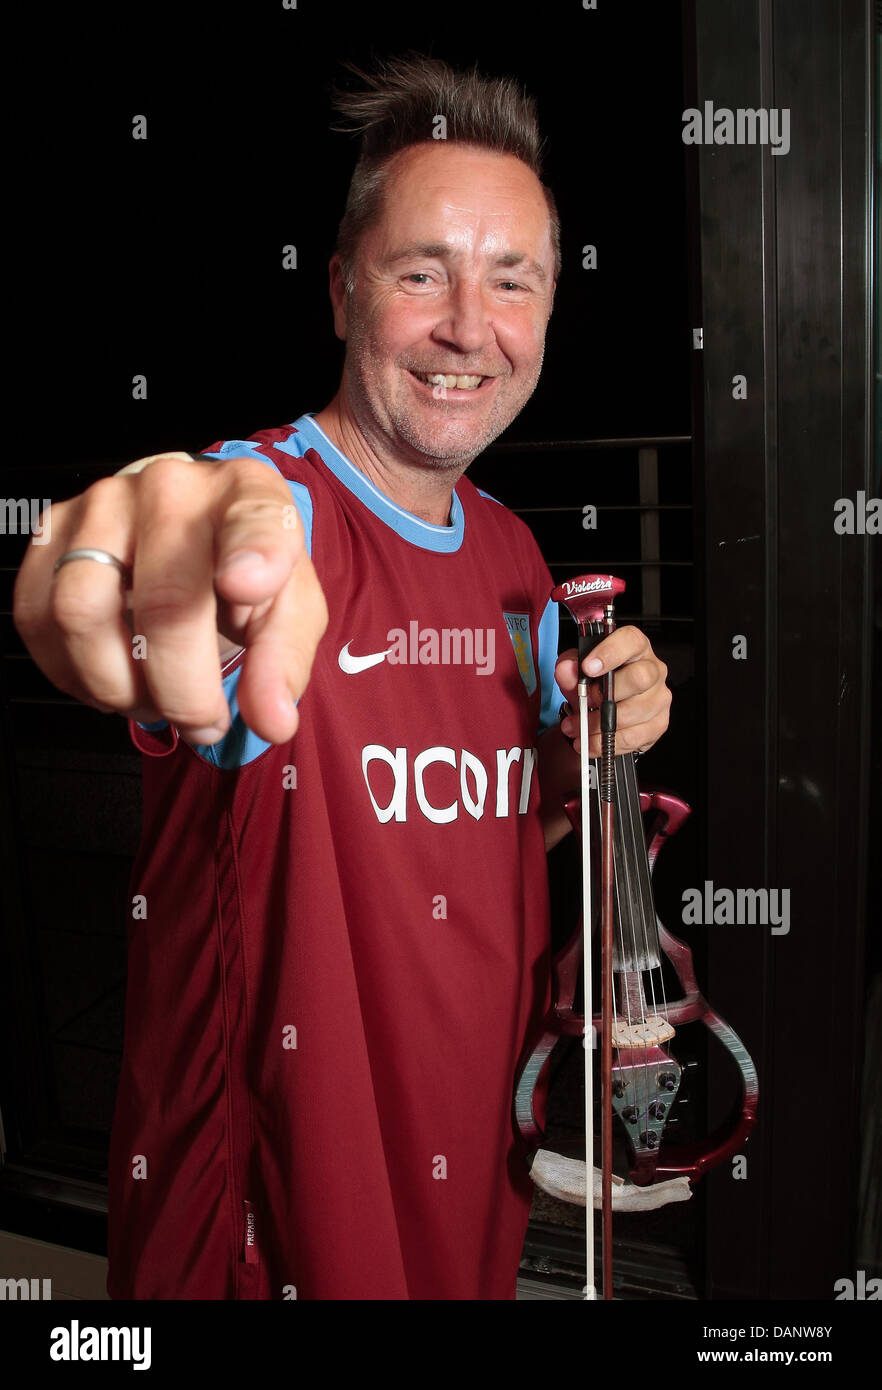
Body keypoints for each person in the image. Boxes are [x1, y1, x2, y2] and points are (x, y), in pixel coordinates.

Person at [13, 54, 671, 1299]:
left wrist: (603, 732)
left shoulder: (518, 554)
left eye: (511, 280)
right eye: (422, 271)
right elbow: (182, 553)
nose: (470, 325)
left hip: (481, 1167)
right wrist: (134, 562)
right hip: (276, 1221)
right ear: (340, 292)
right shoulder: (270, 512)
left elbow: (479, 841)